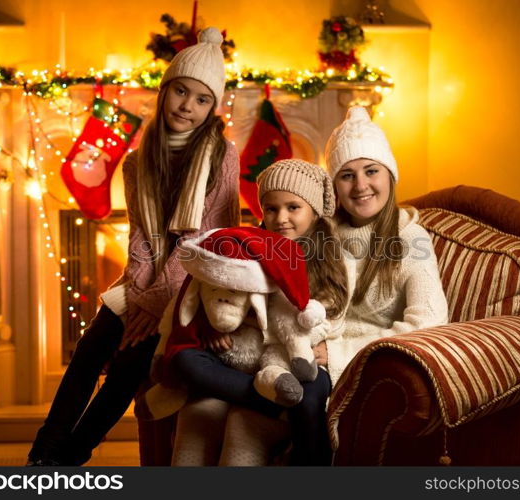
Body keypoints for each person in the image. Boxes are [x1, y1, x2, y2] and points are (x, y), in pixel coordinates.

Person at [27, 27, 240, 466]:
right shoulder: (137, 162)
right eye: (181, 91)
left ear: (211, 108)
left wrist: (157, 299)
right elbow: (141, 238)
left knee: (130, 362)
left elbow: (211, 239)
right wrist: (142, 295)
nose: (188, 106)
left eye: (202, 99)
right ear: (165, 92)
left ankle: (70, 457)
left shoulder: (222, 155)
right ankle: (43, 455)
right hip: (145, 279)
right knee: (90, 349)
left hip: (194, 283)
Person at [170, 159, 356, 466]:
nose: (281, 218)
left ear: (313, 210)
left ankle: (308, 459)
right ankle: (271, 400)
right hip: (245, 359)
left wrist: (283, 335)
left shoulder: (332, 257)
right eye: (271, 209)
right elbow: (213, 293)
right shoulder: (248, 247)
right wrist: (216, 327)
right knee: (187, 362)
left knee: (309, 395)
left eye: (293, 207)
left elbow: (332, 318)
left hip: (294, 358)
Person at [317, 105, 449, 386]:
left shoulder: (410, 240)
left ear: (389, 175)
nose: (360, 185)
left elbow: (428, 324)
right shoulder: (323, 234)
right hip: (308, 357)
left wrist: (337, 353)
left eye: (371, 171)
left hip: (368, 370)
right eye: (347, 175)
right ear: (335, 185)